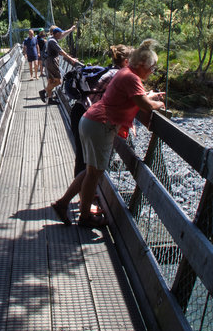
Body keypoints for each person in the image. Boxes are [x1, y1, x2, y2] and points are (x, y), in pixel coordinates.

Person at [51, 39, 165, 228]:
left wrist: (149, 97)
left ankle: (63, 204)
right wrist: (158, 104)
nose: (153, 71)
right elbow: (144, 105)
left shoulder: (125, 73)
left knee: (91, 171)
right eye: (152, 67)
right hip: (100, 125)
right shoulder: (131, 77)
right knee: (94, 173)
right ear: (142, 64)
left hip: (90, 121)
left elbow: (136, 98)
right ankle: (83, 215)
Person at [70, 44, 133, 178]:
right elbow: (133, 96)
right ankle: (83, 195)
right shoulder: (118, 75)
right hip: (84, 114)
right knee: (84, 157)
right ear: (126, 61)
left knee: (85, 157)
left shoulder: (110, 70)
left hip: (79, 111)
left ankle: (85, 192)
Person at [39, 27, 78, 104]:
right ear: (56, 34)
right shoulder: (53, 41)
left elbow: (63, 34)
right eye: (60, 34)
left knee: (51, 81)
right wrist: (71, 59)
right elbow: (61, 52)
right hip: (52, 62)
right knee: (58, 82)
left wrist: (70, 29)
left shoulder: (51, 38)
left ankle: (50, 99)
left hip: (49, 61)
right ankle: (43, 92)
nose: (61, 35)